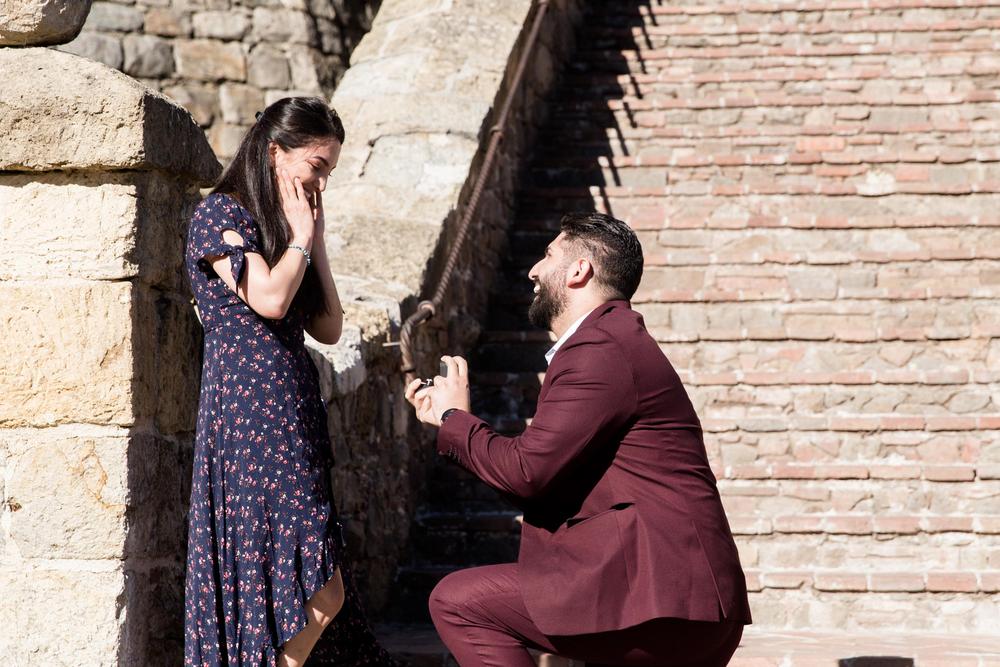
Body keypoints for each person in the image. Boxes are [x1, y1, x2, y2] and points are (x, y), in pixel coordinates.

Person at [405, 212, 752, 666]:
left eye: (548, 255)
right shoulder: (612, 340)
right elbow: (539, 477)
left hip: (665, 602)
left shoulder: (599, 348)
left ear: (578, 270)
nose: (533, 271)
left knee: (460, 602)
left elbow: (526, 472)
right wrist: (453, 421)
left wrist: (456, 418)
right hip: (675, 599)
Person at [183, 96, 396, 667]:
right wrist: (300, 236)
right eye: (317, 166)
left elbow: (329, 326)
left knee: (311, 576)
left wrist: (314, 239)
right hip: (250, 415)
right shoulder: (220, 215)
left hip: (291, 408)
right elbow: (271, 300)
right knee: (320, 587)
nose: (321, 183)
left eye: (329, 172)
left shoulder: (283, 229)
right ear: (276, 152)